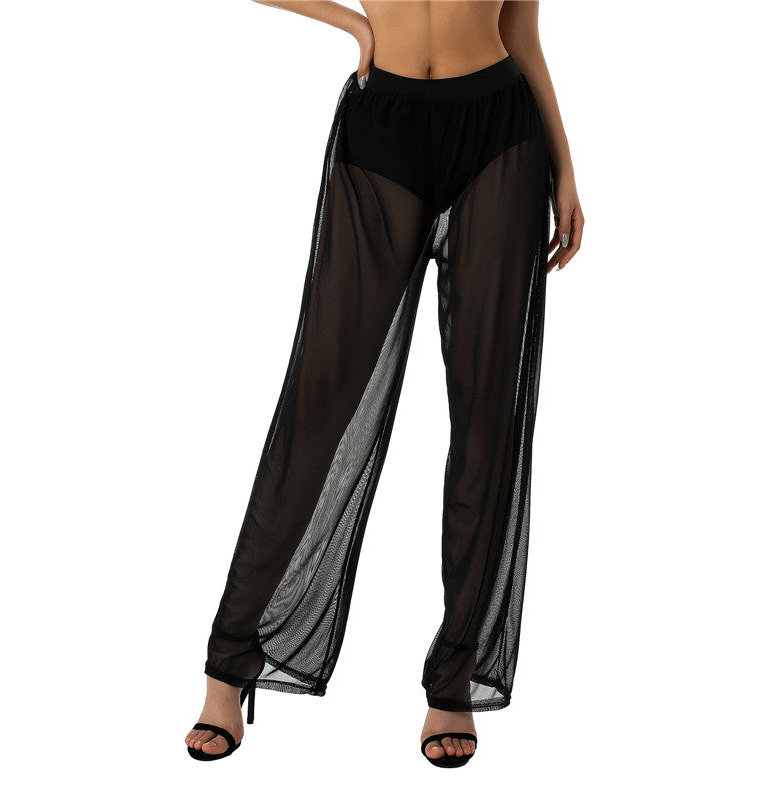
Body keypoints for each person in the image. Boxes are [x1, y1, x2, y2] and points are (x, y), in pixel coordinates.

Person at [184, 0, 583, 767]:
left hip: (501, 134)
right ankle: (228, 664)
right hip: (384, 131)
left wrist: (565, 167)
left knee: (486, 416)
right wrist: (356, 26)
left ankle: (454, 681)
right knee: (319, 403)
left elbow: (522, 35)